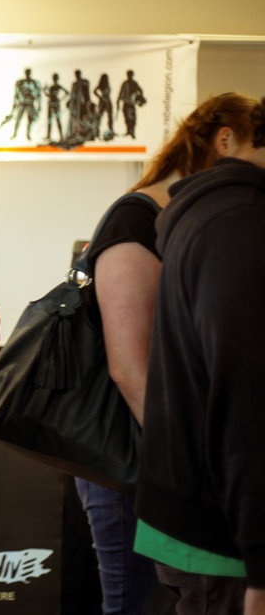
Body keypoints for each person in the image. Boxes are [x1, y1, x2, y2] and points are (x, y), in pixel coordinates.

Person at [78, 93, 263, 615]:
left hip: (171, 462)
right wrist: (190, 470)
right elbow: (129, 368)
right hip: (129, 455)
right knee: (130, 604)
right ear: (225, 139)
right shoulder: (144, 220)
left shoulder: (194, 213)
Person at [134, 97, 265, 614]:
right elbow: (246, 398)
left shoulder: (225, 212)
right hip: (223, 535)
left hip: (211, 513)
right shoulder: (241, 222)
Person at [116, 70, 145, 139]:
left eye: (130, 75)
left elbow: (140, 90)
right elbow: (121, 93)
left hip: (131, 104)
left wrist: (138, 98)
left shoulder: (134, 83)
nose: (129, 76)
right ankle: (128, 131)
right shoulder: (125, 83)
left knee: (132, 119)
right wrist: (118, 100)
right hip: (126, 103)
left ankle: (132, 132)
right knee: (126, 118)